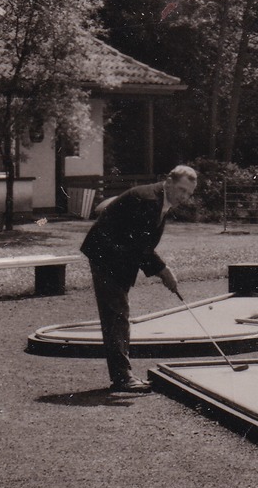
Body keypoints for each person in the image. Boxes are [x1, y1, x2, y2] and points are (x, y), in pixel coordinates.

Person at [80, 165, 197, 392]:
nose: (184, 197)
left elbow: (141, 245)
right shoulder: (147, 200)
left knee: (118, 313)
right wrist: (164, 271)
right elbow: (139, 245)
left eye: (188, 193)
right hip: (106, 255)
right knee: (117, 314)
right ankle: (123, 378)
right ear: (169, 181)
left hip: (119, 257)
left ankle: (122, 376)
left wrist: (162, 270)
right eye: (182, 189)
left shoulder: (160, 200)